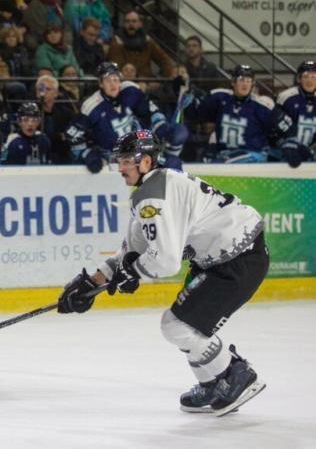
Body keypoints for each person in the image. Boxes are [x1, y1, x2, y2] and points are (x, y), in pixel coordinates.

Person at [58, 129, 268, 416]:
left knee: (177, 326)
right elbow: (131, 252)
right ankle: (211, 383)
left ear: (145, 162)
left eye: (126, 161)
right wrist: (89, 283)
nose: (120, 168)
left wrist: (131, 272)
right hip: (223, 257)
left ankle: (236, 374)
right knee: (186, 327)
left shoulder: (152, 196)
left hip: (237, 259)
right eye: (118, 161)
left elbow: (166, 261)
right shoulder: (154, 187)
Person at [65, 62, 187, 173]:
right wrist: (88, 154)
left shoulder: (130, 90)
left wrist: (160, 126)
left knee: (173, 161)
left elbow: (149, 110)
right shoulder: (92, 106)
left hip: (137, 150)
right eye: (108, 81)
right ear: (101, 84)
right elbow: (72, 135)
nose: (113, 84)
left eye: (115, 79)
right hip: (110, 156)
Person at [191, 64, 290, 163]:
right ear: (233, 82)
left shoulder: (262, 106)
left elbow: (288, 129)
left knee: (222, 163)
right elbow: (195, 112)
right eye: (241, 80)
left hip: (254, 155)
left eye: (249, 81)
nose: (245, 84)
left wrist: (290, 146)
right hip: (225, 154)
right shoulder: (219, 98)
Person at [107, 11, 173, 79]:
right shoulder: (117, 41)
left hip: (146, 81)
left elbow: (164, 59)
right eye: (128, 21)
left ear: (140, 24)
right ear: (124, 24)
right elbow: (115, 67)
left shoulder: (147, 41)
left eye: (134, 21)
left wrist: (160, 78)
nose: (131, 24)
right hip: (125, 81)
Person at [275, 60, 316, 168]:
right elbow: (274, 128)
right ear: (299, 78)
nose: (310, 81)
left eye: (314, 76)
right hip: (287, 151)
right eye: (306, 76)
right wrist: (288, 145)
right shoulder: (286, 98)